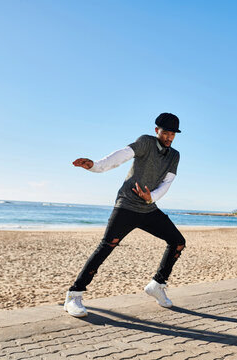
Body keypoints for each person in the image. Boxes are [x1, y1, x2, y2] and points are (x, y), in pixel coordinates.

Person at [64, 113, 186, 318]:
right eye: (165, 132)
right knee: (106, 246)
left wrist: (151, 197)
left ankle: (157, 285)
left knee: (178, 242)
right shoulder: (145, 142)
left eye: (172, 134)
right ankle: (73, 296)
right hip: (127, 205)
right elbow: (120, 156)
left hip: (148, 208)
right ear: (157, 131)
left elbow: (167, 182)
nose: (169, 137)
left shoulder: (175, 155)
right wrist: (95, 166)